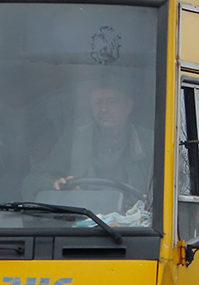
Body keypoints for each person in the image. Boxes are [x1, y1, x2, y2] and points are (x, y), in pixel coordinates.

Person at [22, 79, 153, 203]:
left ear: (128, 107)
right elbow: (34, 180)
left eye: (112, 101)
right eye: (97, 102)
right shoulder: (75, 140)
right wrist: (55, 184)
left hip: (134, 224)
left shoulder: (151, 143)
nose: (104, 109)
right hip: (85, 220)